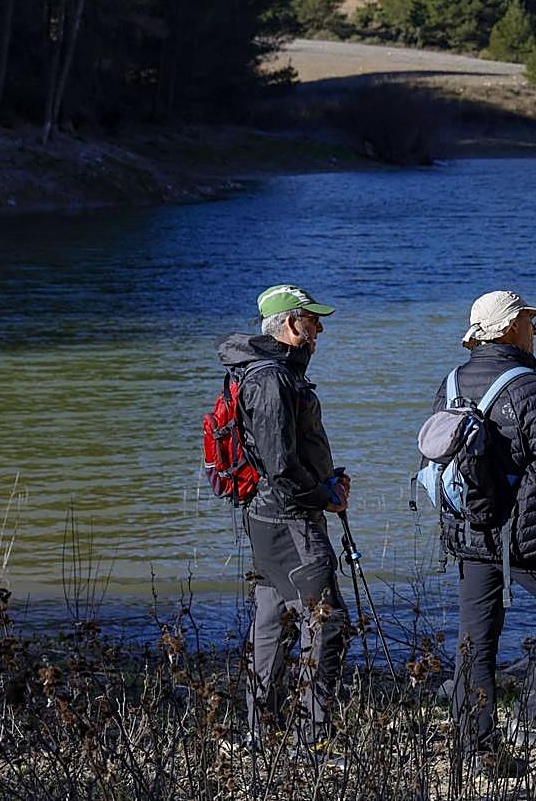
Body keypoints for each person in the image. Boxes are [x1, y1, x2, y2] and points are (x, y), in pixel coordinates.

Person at [428, 290, 536, 775]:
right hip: (523, 535)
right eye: (528, 320)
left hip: (468, 530)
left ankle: (474, 747)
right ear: (507, 329)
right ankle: (534, 717)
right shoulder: (530, 386)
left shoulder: (451, 382)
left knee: (475, 640)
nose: (535, 329)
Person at [215, 284, 351, 752]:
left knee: (273, 620)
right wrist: (324, 495)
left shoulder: (262, 371)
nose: (320, 330)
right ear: (291, 324)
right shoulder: (272, 379)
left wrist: (325, 483)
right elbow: (280, 464)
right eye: (313, 321)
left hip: (268, 517)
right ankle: (310, 741)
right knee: (328, 621)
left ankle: (261, 734)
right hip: (289, 518)